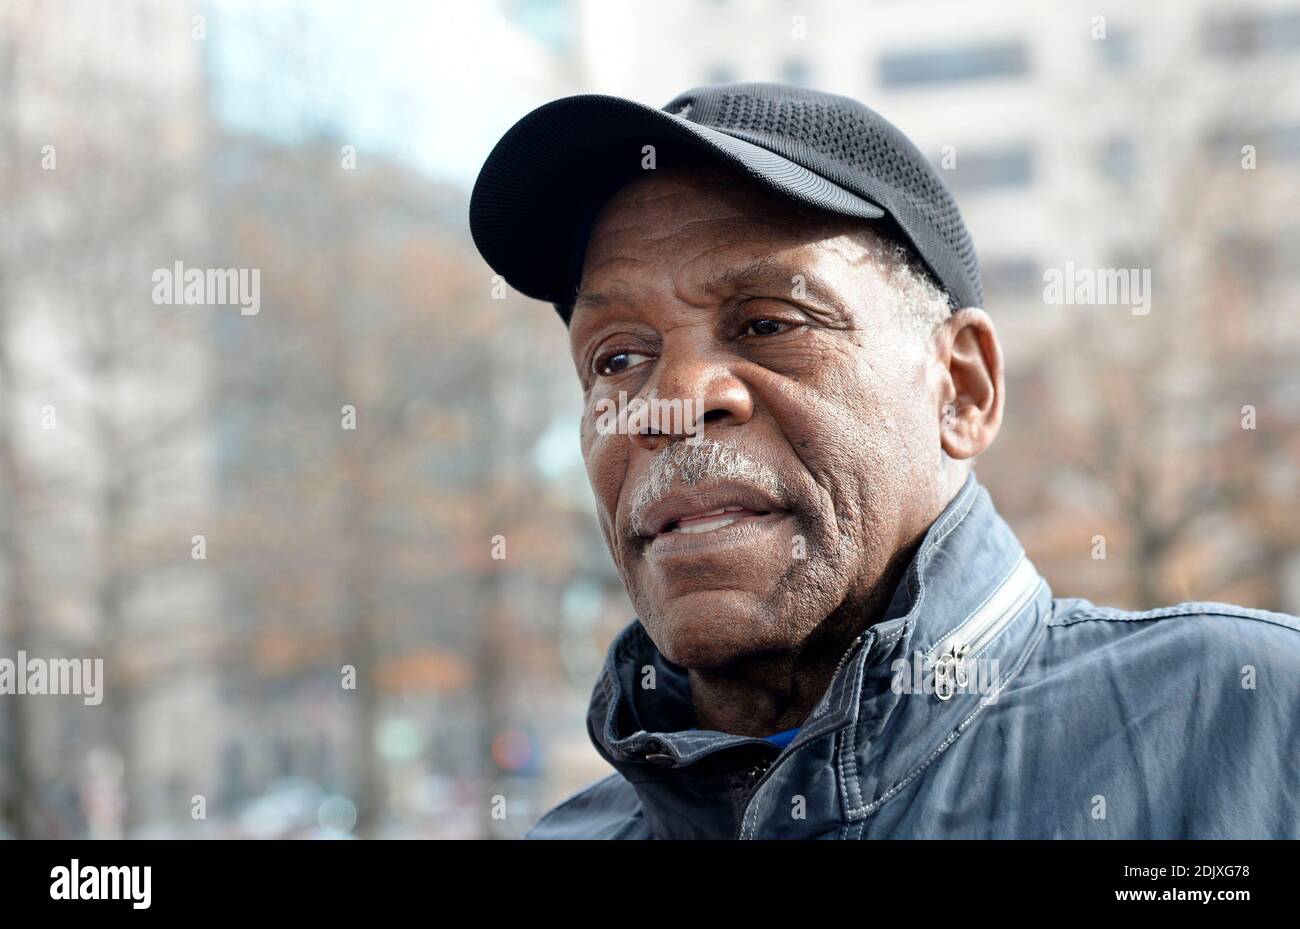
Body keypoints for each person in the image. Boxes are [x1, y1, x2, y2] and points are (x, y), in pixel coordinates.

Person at [469, 82, 1300, 839]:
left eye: (769, 323)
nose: (673, 399)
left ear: (961, 388)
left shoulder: (1248, 723)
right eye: (615, 358)